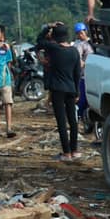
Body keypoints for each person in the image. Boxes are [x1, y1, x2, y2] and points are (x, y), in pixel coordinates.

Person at [37, 23, 85, 160]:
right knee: (73, 120)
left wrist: (47, 27)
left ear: (55, 37)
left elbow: (40, 41)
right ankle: (75, 150)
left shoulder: (54, 48)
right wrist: (77, 92)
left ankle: (66, 152)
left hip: (57, 89)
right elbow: (77, 73)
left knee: (61, 121)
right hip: (71, 89)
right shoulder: (74, 51)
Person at [72, 22, 94, 120]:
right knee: (83, 99)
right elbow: (78, 60)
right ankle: (79, 116)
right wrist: (86, 64)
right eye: (78, 33)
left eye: (82, 32)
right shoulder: (79, 45)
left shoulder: (92, 42)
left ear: (86, 31)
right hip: (84, 75)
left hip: (94, 74)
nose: (80, 35)